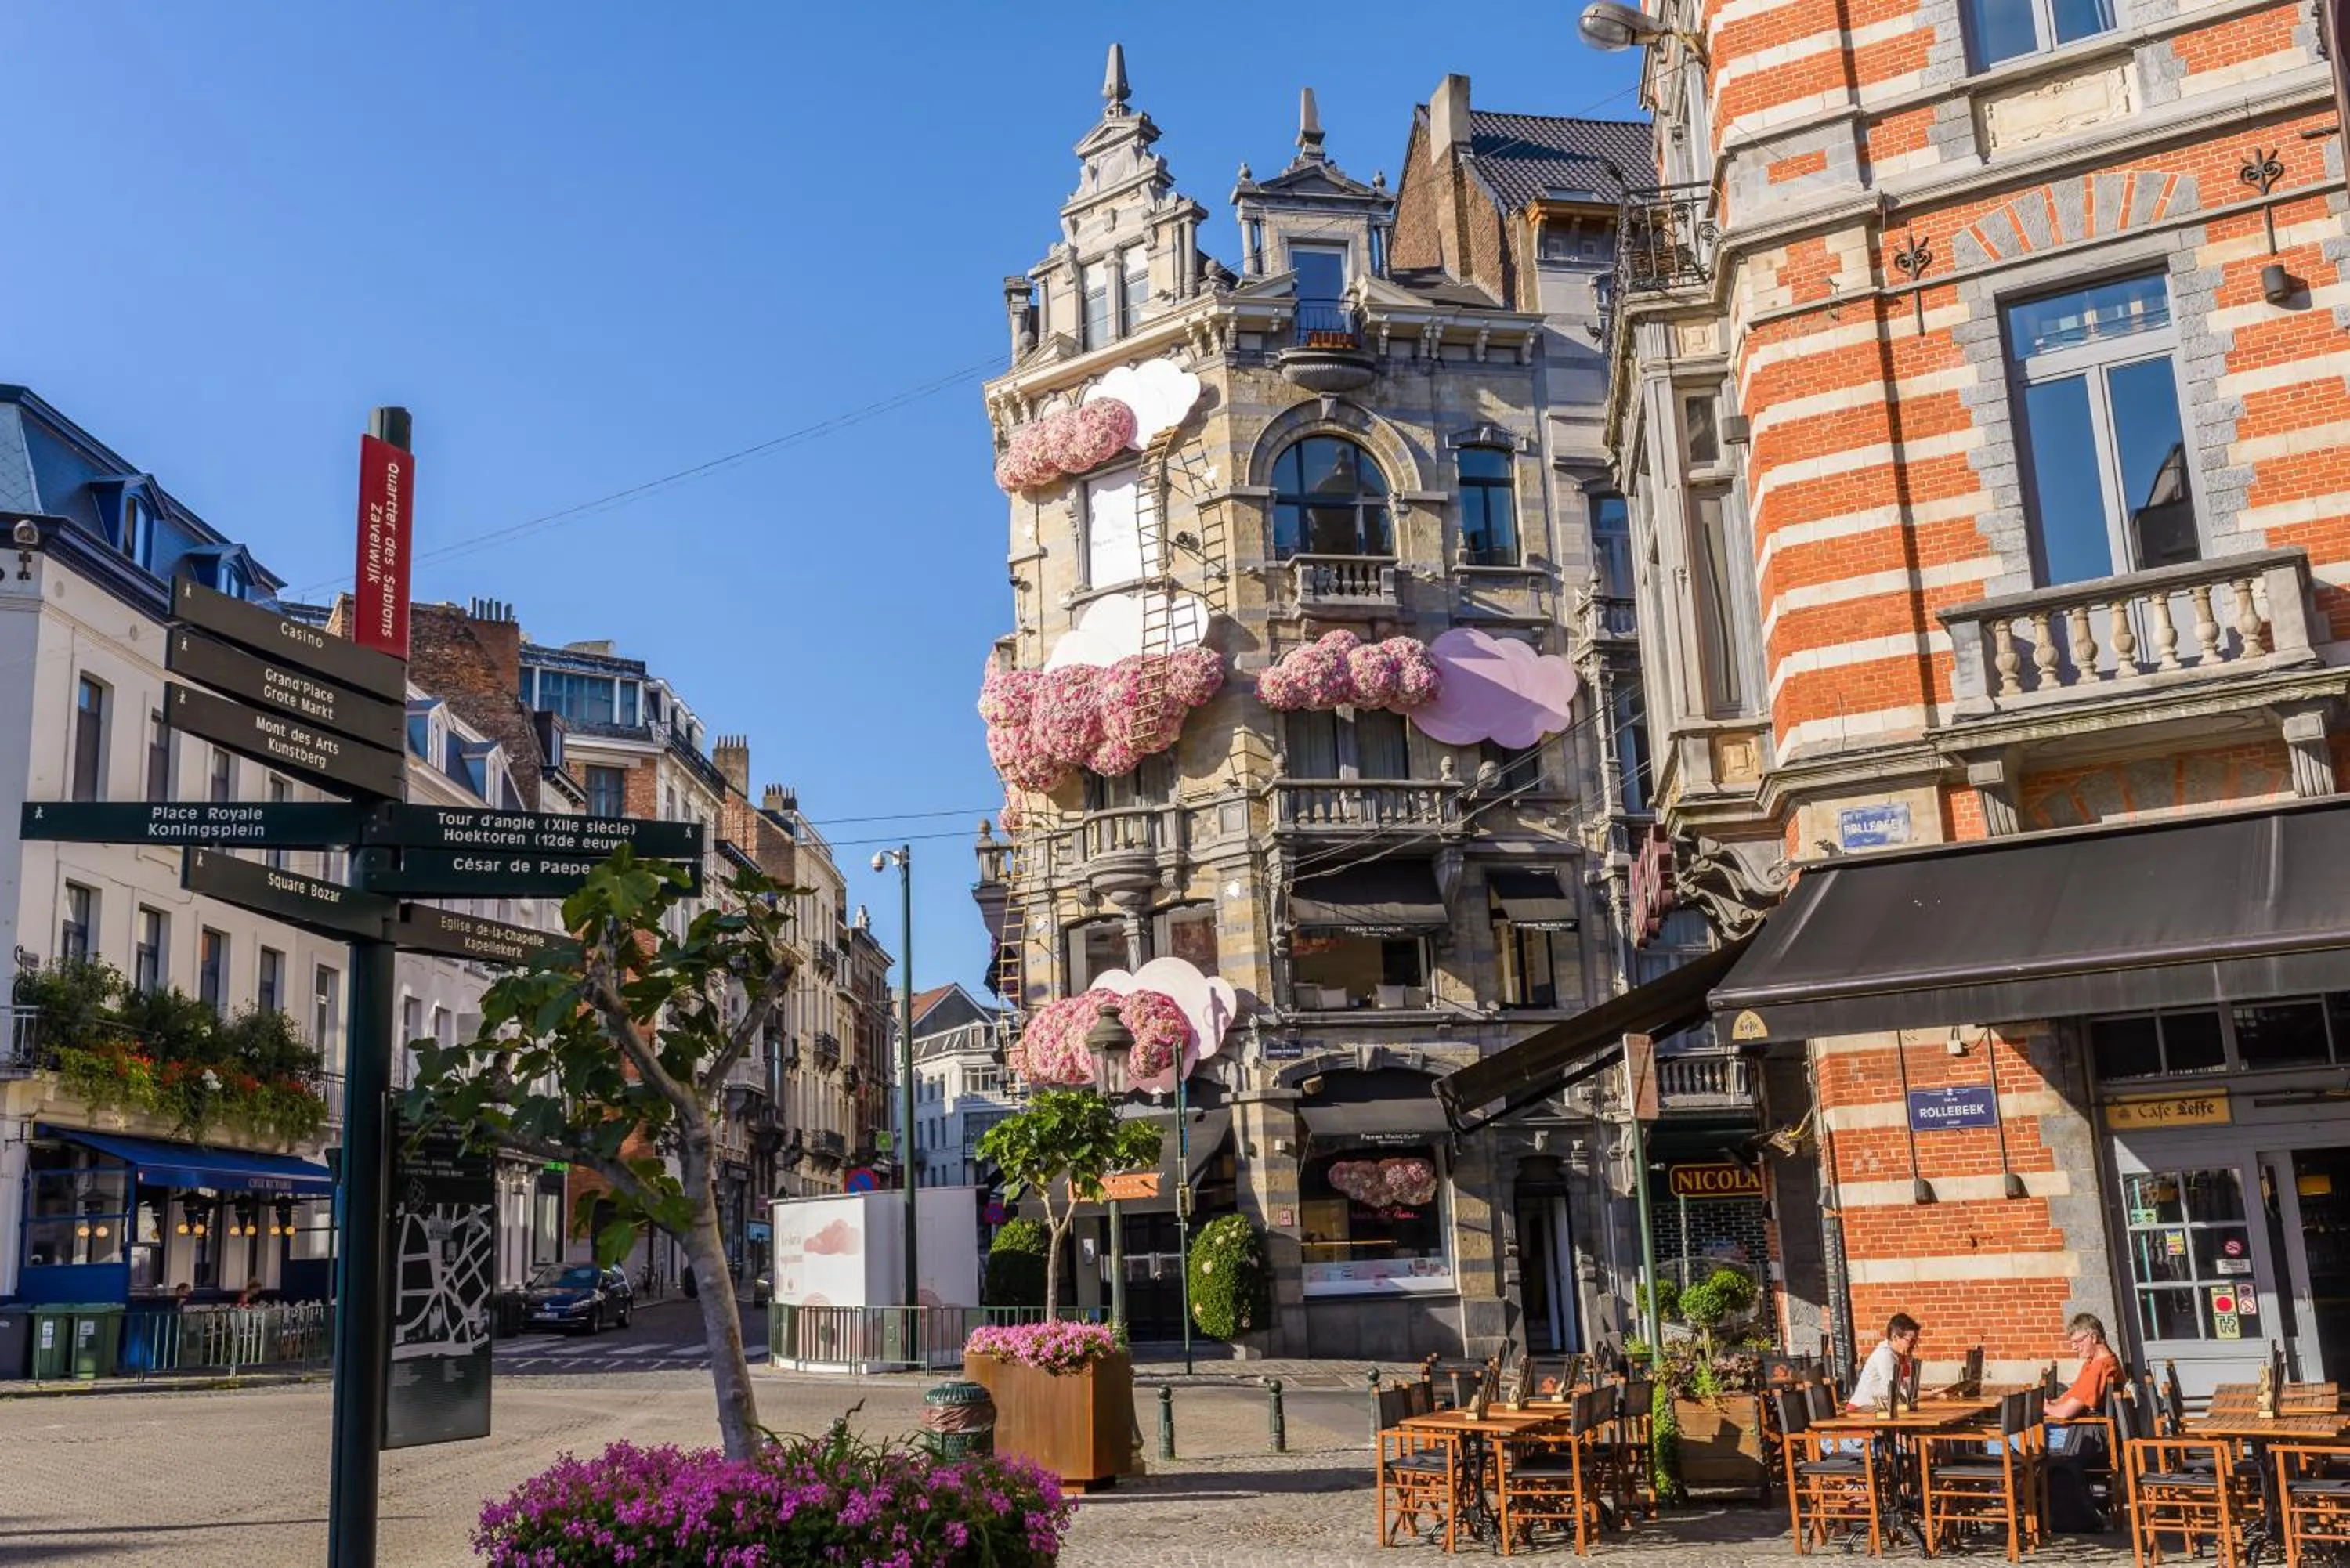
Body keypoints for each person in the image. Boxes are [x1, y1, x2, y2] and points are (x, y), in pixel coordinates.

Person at [2043, 1313, 2121, 1532]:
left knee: (2024, 1451)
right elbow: (2071, 1396)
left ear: (2093, 1337)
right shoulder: (2098, 1362)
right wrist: (2053, 1403)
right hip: (2093, 1433)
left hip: (2092, 1439)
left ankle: (2023, 1505)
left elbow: (2066, 1413)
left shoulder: (2099, 1367)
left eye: (2078, 1341)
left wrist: (2043, 1407)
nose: (2074, 1347)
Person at [1848, 1313, 1922, 1411]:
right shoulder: (1884, 1355)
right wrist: (1932, 1394)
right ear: (1895, 1337)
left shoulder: (1903, 1354)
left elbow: (1909, 1386)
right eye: (1911, 1340)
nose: (1915, 1345)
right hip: (1860, 1411)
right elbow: (1897, 1392)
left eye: (1916, 1341)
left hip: (1881, 1409)